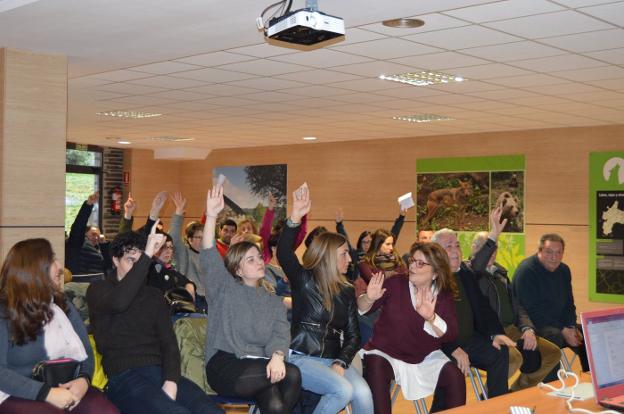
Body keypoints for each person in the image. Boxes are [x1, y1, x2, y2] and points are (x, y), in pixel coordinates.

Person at [87, 226, 223, 414]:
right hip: (123, 378)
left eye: (141, 261)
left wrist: (171, 381)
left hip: (160, 371)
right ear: (115, 261)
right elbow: (120, 302)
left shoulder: (153, 295)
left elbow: (169, 344)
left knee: (210, 410)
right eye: (130, 260)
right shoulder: (98, 290)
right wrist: (147, 254)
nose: (137, 267)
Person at [200, 185, 301, 414]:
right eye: (250, 260)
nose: (259, 262)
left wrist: (277, 355)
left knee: (275, 404)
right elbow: (208, 254)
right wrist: (212, 215)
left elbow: (280, 333)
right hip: (225, 365)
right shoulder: (224, 288)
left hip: (260, 364)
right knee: (292, 374)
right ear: (237, 269)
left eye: (259, 257)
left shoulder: (272, 299)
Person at [277, 183, 373, 414]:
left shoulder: (347, 289)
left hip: (333, 360)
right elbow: (283, 253)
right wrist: (295, 217)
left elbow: (353, 335)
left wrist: (341, 362)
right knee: (343, 391)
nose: (350, 259)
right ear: (329, 256)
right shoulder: (304, 280)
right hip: (302, 357)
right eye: (344, 254)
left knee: (364, 394)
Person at [0, 238, 119, 414]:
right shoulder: (4, 312)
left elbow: (86, 354)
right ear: (34, 269)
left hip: (66, 385)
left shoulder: (62, 305)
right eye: (52, 261)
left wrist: (83, 381)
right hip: (17, 392)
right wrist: (46, 393)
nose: (60, 267)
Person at [358, 242, 466, 413]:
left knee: (455, 377)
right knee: (375, 365)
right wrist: (369, 298)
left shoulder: (442, 295)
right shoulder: (395, 283)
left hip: (424, 357)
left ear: (436, 273)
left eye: (420, 263)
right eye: (412, 260)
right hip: (386, 353)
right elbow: (363, 309)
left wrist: (431, 318)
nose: (413, 266)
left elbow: (450, 334)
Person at [431, 208, 516, 403]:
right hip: (441, 345)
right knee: (453, 372)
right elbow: (430, 324)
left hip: (468, 340)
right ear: (435, 252)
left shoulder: (464, 273)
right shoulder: (431, 278)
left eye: (457, 245)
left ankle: (496, 406)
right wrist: (453, 348)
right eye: (449, 246)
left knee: (499, 353)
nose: (455, 250)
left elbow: (483, 307)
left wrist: (495, 333)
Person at [470, 232, 560, 391]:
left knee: (552, 353)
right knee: (513, 358)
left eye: (494, 248)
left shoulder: (501, 273)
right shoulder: (470, 275)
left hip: (511, 329)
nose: (492, 253)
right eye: (487, 248)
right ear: (474, 248)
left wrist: (527, 329)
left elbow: (518, 306)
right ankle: (490, 398)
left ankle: (517, 391)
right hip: (490, 334)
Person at [512, 233, 590, 382]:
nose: (554, 257)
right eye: (549, 252)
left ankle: (591, 379)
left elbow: (569, 304)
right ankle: (553, 385)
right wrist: (563, 329)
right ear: (540, 251)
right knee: (555, 336)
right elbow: (532, 311)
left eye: (558, 252)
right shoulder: (527, 271)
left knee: (587, 333)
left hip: (558, 324)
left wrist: (571, 326)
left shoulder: (564, 270)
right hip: (531, 325)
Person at [170, 192, 208, 313]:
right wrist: (178, 213)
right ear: (190, 240)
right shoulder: (184, 253)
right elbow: (174, 238)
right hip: (192, 299)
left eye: (205, 237)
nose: (203, 241)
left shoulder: (210, 256)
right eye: (199, 238)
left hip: (210, 300)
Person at [65, 192, 111, 276]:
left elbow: (109, 267)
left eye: (98, 235)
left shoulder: (99, 250)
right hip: (78, 284)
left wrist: (104, 245)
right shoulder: (78, 244)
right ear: (85, 234)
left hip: (98, 284)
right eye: (93, 234)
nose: (96, 237)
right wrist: (88, 205)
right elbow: (78, 227)